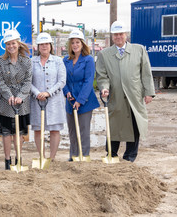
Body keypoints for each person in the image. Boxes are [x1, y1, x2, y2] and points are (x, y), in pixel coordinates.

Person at [96, 21, 155, 162]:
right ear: (112, 36)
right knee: (114, 126)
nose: (118, 37)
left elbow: (146, 73)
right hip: (115, 97)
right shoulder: (104, 54)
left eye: (121, 34)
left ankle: (130, 156)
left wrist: (148, 92)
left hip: (134, 96)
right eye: (116, 34)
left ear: (126, 35)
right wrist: (104, 87)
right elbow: (102, 75)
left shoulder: (139, 50)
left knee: (134, 125)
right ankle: (111, 154)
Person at [0, 29, 32, 170]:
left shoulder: (26, 62)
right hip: (5, 102)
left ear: (18, 44)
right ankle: (7, 161)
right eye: (8, 44)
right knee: (6, 133)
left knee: (19, 133)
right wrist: (10, 96)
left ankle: (19, 159)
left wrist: (20, 97)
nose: (11, 46)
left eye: (13, 43)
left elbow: (28, 81)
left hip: (21, 104)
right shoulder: (0, 62)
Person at [63, 29, 100, 161]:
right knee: (72, 132)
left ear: (82, 43)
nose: (75, 45)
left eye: (77, 42)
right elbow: (63, 79)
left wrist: (80, 100)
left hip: (84, 101)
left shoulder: (88, 60)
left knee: (83, 131)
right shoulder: (66, 60)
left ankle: (83, 156)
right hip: (70, 101)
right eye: (72, 42)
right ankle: (73, 156)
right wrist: (66, 92)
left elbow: (89, 81)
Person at [30, 32, 67, 160]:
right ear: (38, 46)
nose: (44, 46)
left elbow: (62, 81)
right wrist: (37, 93)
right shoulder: (31, 62)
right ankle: (42, 157)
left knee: (54, 130)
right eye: (41, 44)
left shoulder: (58, 61)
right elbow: (27, 82)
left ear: (50, 45)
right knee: (38, 130)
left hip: (54, 101)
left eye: (46, 44)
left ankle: (51, 158)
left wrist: (48, 93)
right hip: (37, 101)